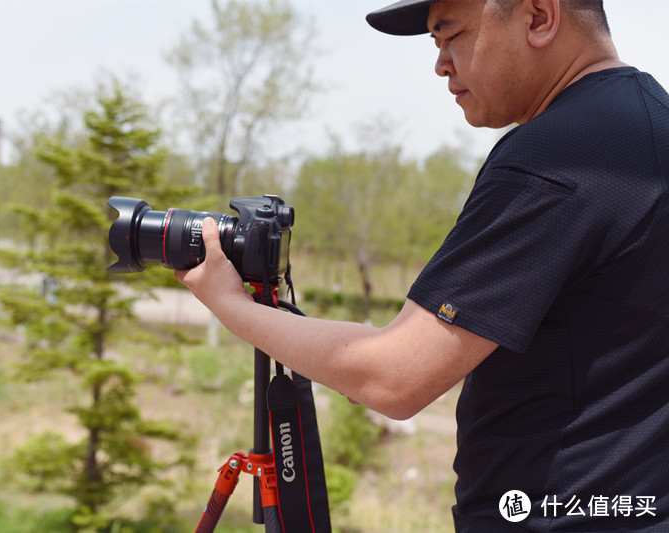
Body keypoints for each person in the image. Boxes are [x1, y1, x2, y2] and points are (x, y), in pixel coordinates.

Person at [176, 0, 669, 530]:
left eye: (451, 35)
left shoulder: (558, 158)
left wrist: (230, 304)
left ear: (539, 17)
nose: (440, 64)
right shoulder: (650, 127)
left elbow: (394, 376)